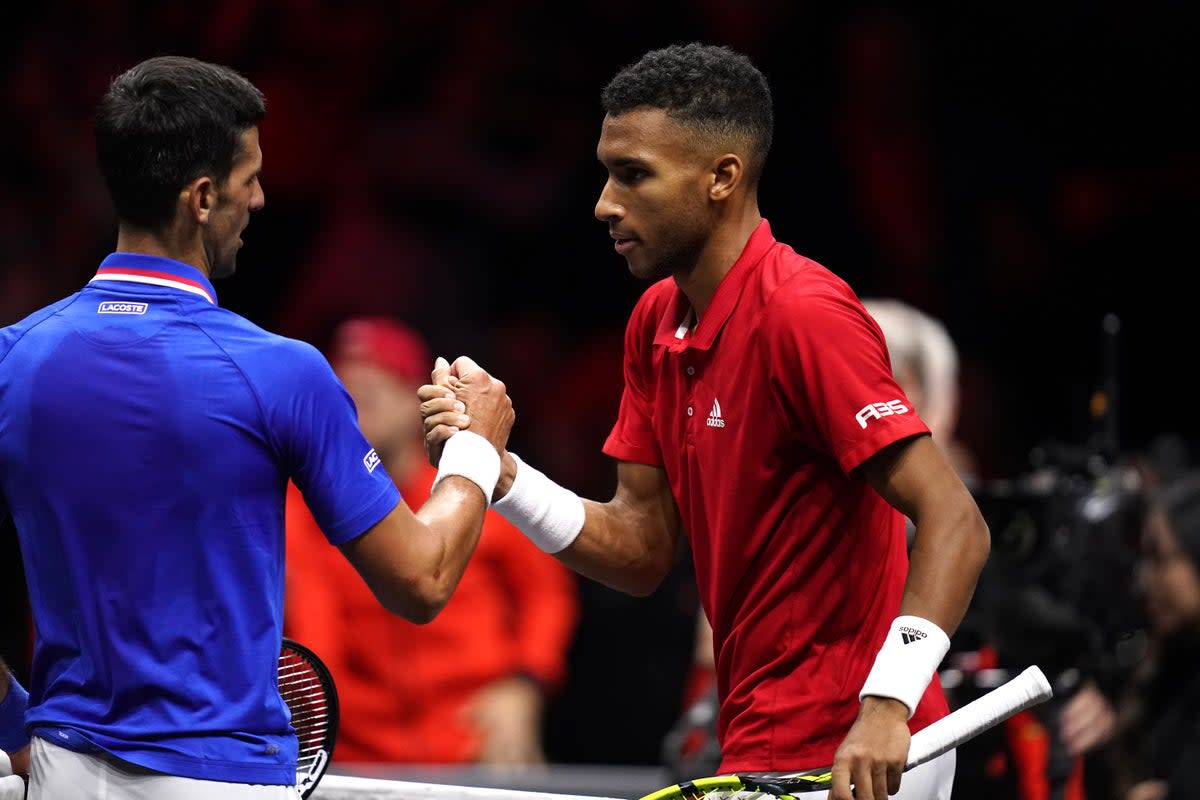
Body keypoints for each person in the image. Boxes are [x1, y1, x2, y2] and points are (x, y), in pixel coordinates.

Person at [419, 42, 991, 800]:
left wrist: (886, 707)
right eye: (605, 171)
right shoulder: (655, 319)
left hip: (865, 747)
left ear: (722, 177)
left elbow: (956, 522)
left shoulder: (803, 313)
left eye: (633, 175)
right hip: (758, 734)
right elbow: (641, 549)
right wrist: (500, 470)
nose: (603, 203)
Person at [0, 55, 513, 799]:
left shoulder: (13, 362)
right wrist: (474, 450)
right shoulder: (280, 372)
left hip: (59, 775)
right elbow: (422, 580)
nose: (263, 198)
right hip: (220, 780)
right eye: (251, 178)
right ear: (203, 197)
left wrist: (17, 729)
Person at [284, 316, 578, 766]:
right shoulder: (304, 506)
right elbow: (312, 625)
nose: (359, 407)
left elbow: (547, 592)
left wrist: (526, 684)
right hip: (358, 752)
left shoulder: (470, 486)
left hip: (474, 740)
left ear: (415, 400)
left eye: (376, 390)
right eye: (348, 394)